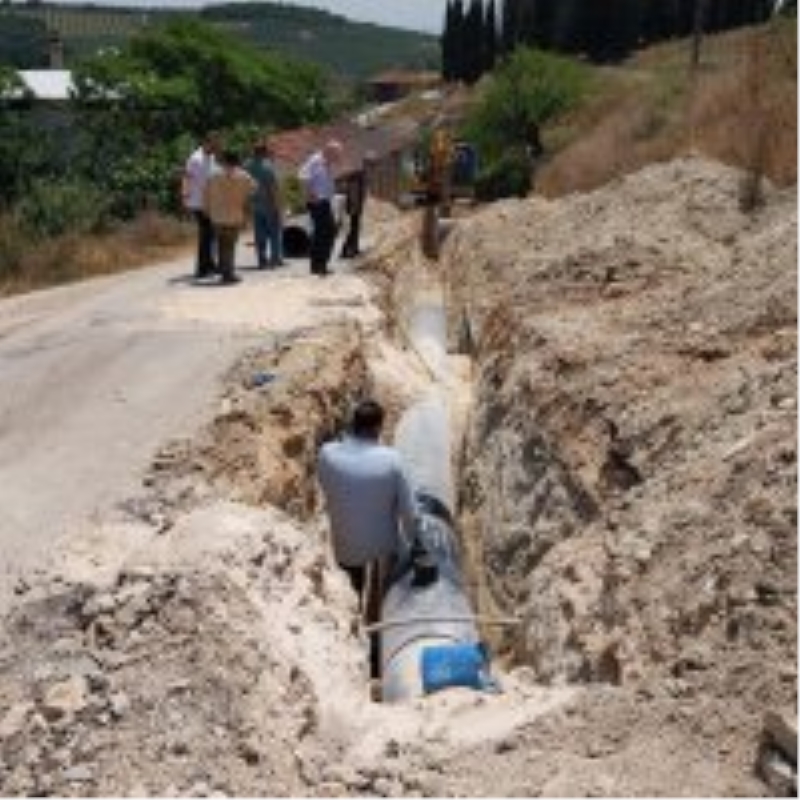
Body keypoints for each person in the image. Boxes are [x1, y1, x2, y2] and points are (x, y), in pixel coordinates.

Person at [317, 399, 418, 603]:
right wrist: (418, 544)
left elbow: (327, 487)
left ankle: (356, 613)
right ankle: (378, 609)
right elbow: (409, 513)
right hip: (383, 548)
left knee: (355, 588)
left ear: (352, 424)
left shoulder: (327, 453)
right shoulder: (393, 460)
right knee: (385, 584)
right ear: (379, 428)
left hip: (344, 547)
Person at [203, 150, 256, 285]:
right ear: (237, 162)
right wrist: (243, 197)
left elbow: (205, 193)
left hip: (217, 216)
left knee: (221, 244)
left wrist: (207, 210)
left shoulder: (213, 175)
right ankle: (228, 273)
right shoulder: (243, 175)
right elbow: (254, 189)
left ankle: (224, 270)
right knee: (230, 245)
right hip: (235, 215)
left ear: (223, 161)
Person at [298, 139, 343, 277]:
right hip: (317, 202)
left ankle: (319, 265)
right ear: (328, 151)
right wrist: (310, 194)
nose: (338, 157)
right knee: (326, 231)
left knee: (324, 232)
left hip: (324, 201)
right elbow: (303, 177)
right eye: (336, 154)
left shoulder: (326, 163)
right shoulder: (315, 161)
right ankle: (319, 265)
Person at [182, 132, 220, 280]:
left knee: (210, 235)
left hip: (210, 202)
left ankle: (210, 265)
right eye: (213, 143)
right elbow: (186, 176)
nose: (216, 146)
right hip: (198, 202)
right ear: (206, 142)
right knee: (206, 235)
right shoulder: (195, 158)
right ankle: (202, 269)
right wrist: (184, 195)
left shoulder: (211, 157)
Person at [245, 141, 284, 269]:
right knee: (274, 232)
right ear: (265, 153)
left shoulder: (247, 166)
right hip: (269, 204)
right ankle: (275, 258)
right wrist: (278, 205)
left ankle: (262, 259)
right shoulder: (268, 167)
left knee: (259, 234)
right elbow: (273, 188)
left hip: (255, 204)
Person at [339, 168, 366, 259]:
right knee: (353, 229)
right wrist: (355, 209)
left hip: (355, 207)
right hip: (354, 208)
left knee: (355, 229)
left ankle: (354, 248)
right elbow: (354, 196)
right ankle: (346, 250)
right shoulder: (355, 181)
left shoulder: (356, 180)